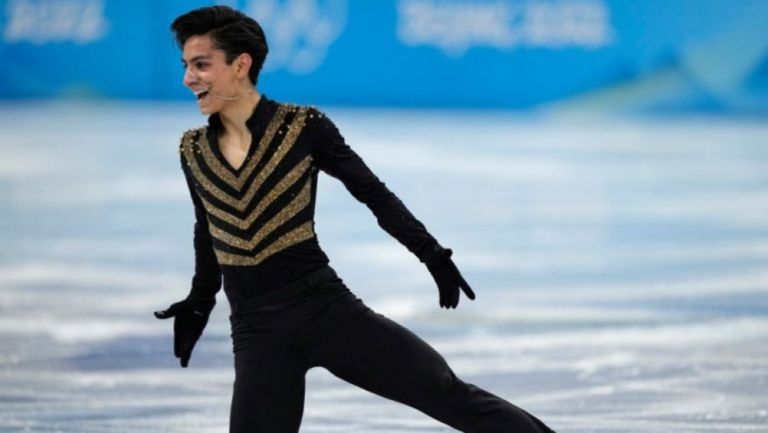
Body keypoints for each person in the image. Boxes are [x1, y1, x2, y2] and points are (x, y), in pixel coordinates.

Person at [154, 5, 555, 433]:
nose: (188, 79)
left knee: (443, 390)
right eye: (186, 66)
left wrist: (431, 254)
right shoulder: (193, 150)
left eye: (201, 65)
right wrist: (200, 300)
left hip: (325, 311)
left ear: (241, 65)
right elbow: (208, 228)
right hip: (257, 331)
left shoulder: (302, 126)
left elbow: (372, 193)